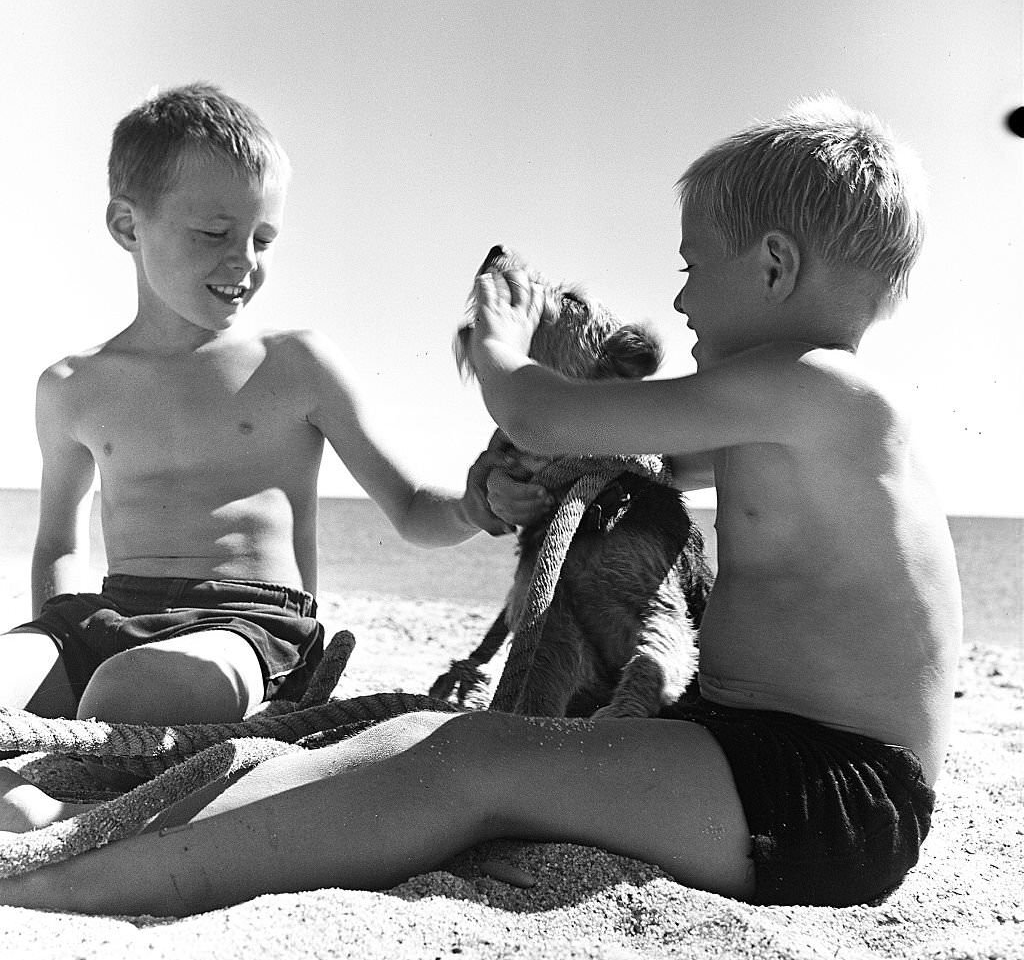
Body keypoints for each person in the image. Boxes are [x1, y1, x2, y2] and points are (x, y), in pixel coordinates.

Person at [0, 96, 963, 916]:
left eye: (690, 264)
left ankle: (70, 885)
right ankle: (126, 835)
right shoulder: (802, 415)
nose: (679, 302)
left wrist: (501, 337)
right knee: (412, 743)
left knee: (462, 760)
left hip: (822, 790)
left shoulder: (818, 392)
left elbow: (543, 415)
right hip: (755, 759)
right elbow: (635, 453)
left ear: (774, 266)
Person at [0, 83, 512, 738]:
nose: (243, 260)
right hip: (106, 616)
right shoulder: (72, 385)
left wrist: (475, 506)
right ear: (129, 225)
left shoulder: (296, 365)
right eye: (215, 233)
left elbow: (411, 506)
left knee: (127, 689)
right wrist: (55, 657)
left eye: (263, 238)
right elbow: (57, 543)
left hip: (249, 627)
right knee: (68, 679)